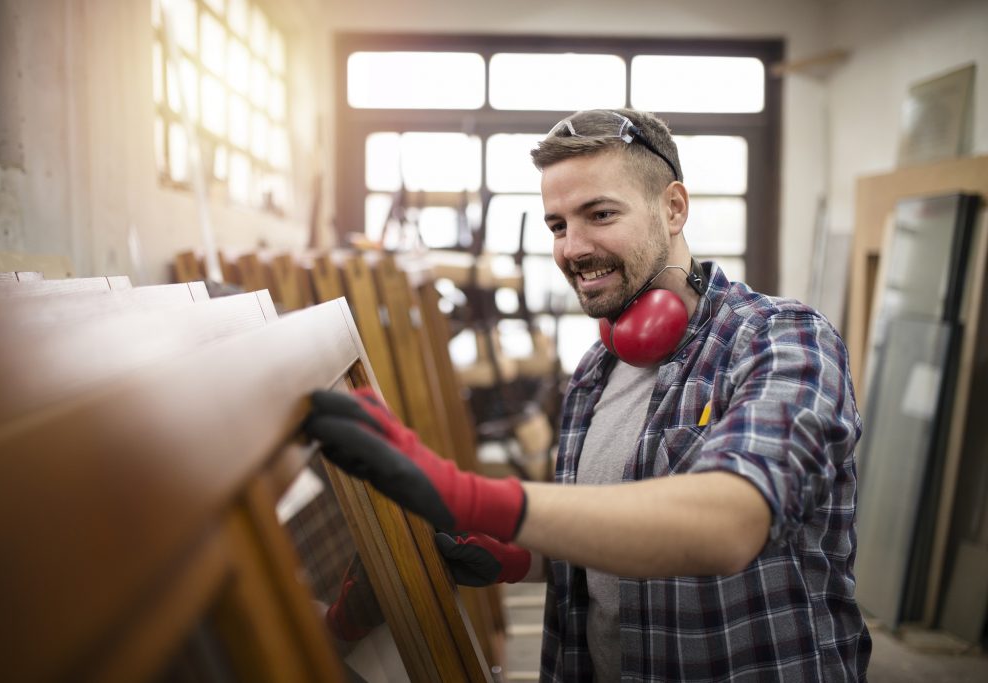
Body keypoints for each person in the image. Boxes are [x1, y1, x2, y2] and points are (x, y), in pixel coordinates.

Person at [304, 108, 870, 682]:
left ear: (673, 207)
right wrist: (525, 556)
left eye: (599, 214)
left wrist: (472, 496)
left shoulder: (786, 340)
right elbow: (616, 544)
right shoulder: (597, 369)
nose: (572, 249)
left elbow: (731, 523)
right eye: (557, 225)